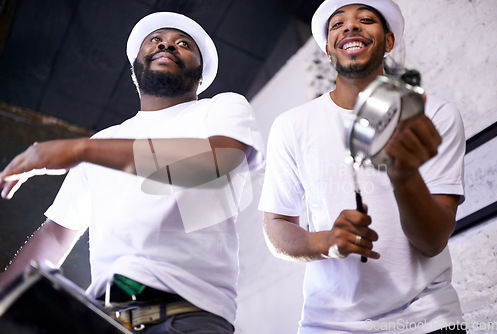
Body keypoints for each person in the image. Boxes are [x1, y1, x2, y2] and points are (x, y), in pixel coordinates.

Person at [0, 12, 264, 333]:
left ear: (200, 71)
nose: (167, 44)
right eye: (155, 40)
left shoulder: (219, 109)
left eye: (183, 44)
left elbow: (217, 161)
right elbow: (55, 235)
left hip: (187, 313)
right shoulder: (104, 141)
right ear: (135, 65)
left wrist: (78, 149)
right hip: (103, 315)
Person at [258, 0, 467, 333]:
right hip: (328, 326)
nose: (351, 26)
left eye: (366, 19)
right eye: (338, 23)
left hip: (427, 319)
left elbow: (433, 242)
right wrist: (324, 241)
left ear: (388, 41)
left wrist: (403, 174)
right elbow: (276, 225)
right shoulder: (291, 126)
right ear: (328, 48)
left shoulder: (435, 115)